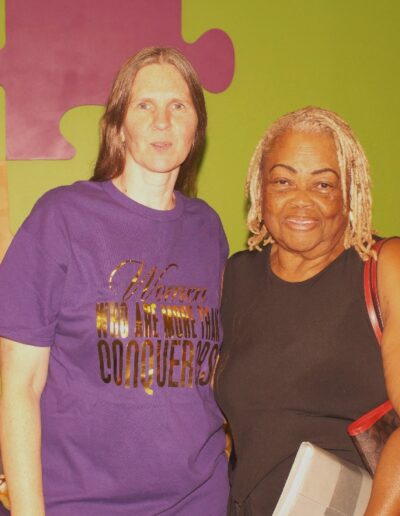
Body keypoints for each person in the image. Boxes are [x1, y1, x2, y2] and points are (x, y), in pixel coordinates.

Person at [0, 47, 229, 515]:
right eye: (145, 105)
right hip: (81, 502)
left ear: (196, 128)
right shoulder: (61, 218)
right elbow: (18, 385)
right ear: (119, 125)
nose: (162, 121)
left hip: (197, 500)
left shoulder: (208, 229)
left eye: (178, 106)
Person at [214, 106, 400, 515]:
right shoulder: (237, 276)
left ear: (349, 193)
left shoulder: (383, 266)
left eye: (323, 185)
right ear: (260, 191)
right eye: (283, 181)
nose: (301, 201)